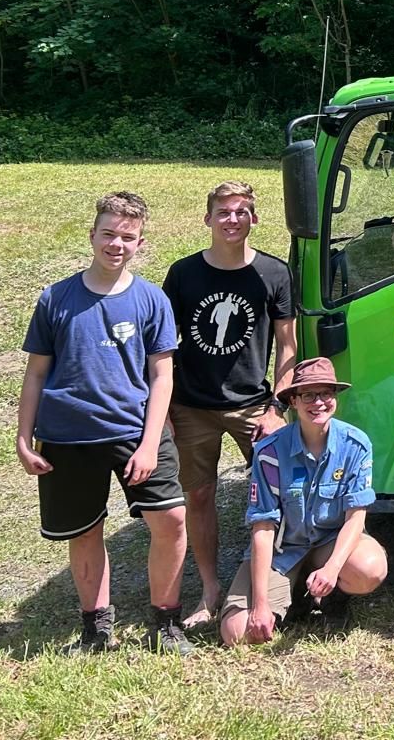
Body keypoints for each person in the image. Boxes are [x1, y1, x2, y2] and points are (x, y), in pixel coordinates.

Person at [15, 191, 191, 655]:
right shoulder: (55, 298)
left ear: (140, 243)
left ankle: (166, 624)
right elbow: (36, 373)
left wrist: (150, 444)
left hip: (135, 430)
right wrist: (23, 437)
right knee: (85, 530)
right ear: (92, 235)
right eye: (109, 234)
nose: (117, 244)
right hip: (67, 434)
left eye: (127, 237)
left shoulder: (152, 299)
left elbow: (162, 376)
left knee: (171, 520)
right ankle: (97, 630)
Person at [162, 179, 297, 627]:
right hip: (190, 404)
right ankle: (210, 589)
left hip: (253, 405)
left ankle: (277, 581)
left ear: (253, 218)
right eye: (224, 212)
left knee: (278, 492)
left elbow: (288, 346)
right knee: (198, 495)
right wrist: (163, 409)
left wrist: (277, 409)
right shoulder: (183, 274)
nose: (232, 219)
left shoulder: (274, 273)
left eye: (241, 211)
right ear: (208, 219)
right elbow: (161, 346)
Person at [218, 358, 387, 646]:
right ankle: (296, 596)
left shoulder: (355, 445)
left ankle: (334, 598)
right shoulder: (269, 452)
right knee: (236, 632)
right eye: (308, 395)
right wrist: (260, 604)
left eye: (326, 393)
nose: (319, 402)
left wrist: (332, 568)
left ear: (335, 398)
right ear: (293, 401)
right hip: (282, 551)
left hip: (329, 544)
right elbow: (263, 527)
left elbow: (355, 517)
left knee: (370, 568)